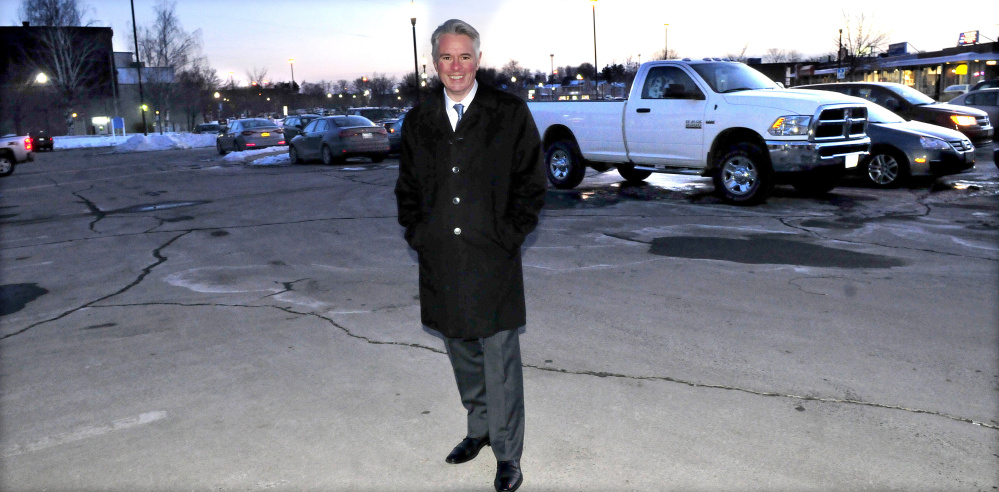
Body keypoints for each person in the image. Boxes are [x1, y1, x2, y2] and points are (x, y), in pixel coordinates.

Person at [394, 18, 546, 492]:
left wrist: (510, 234)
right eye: (446, 57)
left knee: (499, 354)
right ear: (433, 63)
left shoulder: (509, 112)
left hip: (492, 256)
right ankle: (478, 429)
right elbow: (408, 190)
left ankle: (507, 454)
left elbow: (531, 183)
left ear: (478, 59)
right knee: (459, 345)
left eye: (464, 56)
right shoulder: (419, 120)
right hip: (441, 256)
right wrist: (420, 234)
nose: (455, 66)